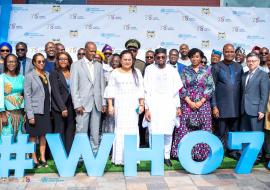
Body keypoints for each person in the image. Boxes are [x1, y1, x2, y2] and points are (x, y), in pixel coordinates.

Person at [171, 48, 215, 161]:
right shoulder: (185, 71)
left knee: (204, 127)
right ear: (190, 58)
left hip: (203, 104)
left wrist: (201, 101)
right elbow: (181, 87)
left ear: (201, 58)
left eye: (197, 56)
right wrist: (190, 102)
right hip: (187, 103)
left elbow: (210, 87)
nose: (195, 59)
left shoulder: (207, 70)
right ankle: (181, 153)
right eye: (193, 57)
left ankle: (201, 154)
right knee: (184, 127)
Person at [144, 48, 183, 167]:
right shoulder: (149, 69)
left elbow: (176, 91)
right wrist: (147, 108)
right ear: (155, 57)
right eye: (158, 57)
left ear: (166, 57)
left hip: (169, 105)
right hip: (154, 105)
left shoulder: (172, 70)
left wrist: (178, 107)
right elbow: (146, 90)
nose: (160, 59)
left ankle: (166, 156)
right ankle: (154, 156)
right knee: (154, 132)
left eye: (163, 57)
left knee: (168, 132)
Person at [104, 50, 144, 165]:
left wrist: (141, 104)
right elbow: (110, 89)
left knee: (132, 129)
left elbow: (140, 89)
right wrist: (110, 105)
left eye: (129, 60)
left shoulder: (137, 72)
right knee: (120, 130)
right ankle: (119, 158)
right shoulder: (115, 72)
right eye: (125, 59)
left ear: (133, 60)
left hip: (133, 106)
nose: (127, 62)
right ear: (120, 60)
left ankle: (132, 157)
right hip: (120, 106)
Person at [70, 41, 106, 155]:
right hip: (82, 105)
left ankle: (94, 155)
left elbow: (102, 86)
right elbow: (73, 87)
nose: (93, 53)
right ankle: (80, 157)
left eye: (95, 51)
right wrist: (77, 104)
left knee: (95, 132)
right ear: (85, 50)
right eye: (91, 51)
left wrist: (103, 103)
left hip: (97, 104)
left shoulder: (99, 65)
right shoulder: (76, 65)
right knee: (81, 131)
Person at [211, 44, 243, 159]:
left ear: (234, 53)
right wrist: (214, 106)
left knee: (234, 131)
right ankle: (220, 152)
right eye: (227, 51)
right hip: (221, 106)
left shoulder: (239, 67)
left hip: (236, 106)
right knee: (221, 131)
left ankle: (233, 152)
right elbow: (212, 88)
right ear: (223, 52)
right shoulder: (216, 67)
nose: (229, 53)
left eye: (231, 51)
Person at [240, 52, 269, 164]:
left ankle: (257, 157)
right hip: (244, 110)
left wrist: (261, 109)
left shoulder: (263, 75)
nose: (251, 63)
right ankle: (246, 155)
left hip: (256, 110)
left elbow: (264, 94)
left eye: (253, 61)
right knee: (245, 134)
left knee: (256, 134)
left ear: (258, 62)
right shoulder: (244, 75)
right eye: (249, 61)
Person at [24, 53, 52, 168]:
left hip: (45, 109)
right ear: (34, 63)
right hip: (34, 111)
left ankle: (43, 158)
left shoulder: (47, 74)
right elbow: (27, 95)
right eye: (39, 61)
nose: (41, 63)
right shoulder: (29, 76)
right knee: (33, 135)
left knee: (43, 135)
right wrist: (30, 115)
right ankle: (34, 158)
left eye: (43, 61)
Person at [49, 52, 75, 154]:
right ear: (57, 61)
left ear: (68, 61)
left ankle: (69, 153)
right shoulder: (54, 73)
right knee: (60, 131)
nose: (63, 61)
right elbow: (55, 92)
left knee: (69, 131)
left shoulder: (72, 72)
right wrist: (62, 108)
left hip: (71, 105)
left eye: (65, 59)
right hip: (59, 107)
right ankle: (59, 154)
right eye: (61, 59)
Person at [0, 54, 24, 143]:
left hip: (19, 113)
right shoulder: (2, 77)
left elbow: (24, 94)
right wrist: (2, 114)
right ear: (5, 63)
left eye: (14, 61)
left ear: (17, 63)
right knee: (7, 135)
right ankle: (5, 156)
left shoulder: (22, 77)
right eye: (9, 61)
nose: (11, 64)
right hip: (7, 114)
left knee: (18, 134)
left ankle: (18, 156)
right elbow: (0, 96)